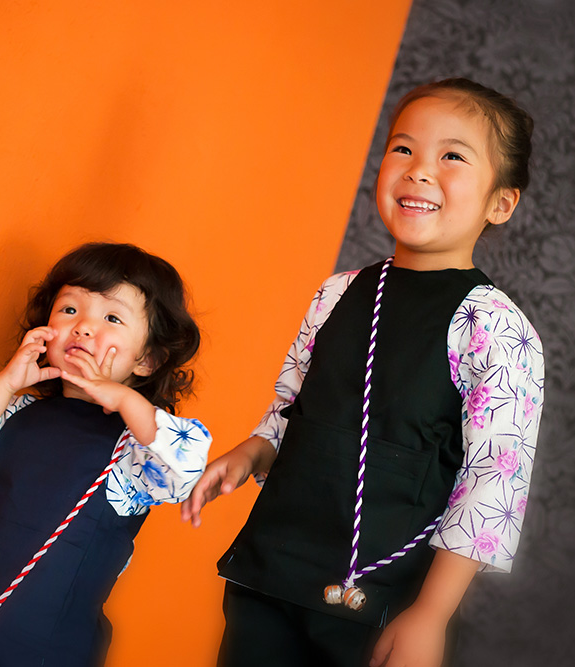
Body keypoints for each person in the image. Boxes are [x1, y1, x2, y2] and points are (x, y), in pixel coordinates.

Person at [181, 78, 545, 667]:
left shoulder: (496, 327)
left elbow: (492, 485)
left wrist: (431, 614)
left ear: (499, 204)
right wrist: (252, 451)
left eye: (452, 157)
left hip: (380, 602)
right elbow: (294, 407)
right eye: (403, 149)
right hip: (272, 573)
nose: (419, 171)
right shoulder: (338, 293)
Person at [0, 242, 211, 667]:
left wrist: (121, 398)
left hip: (45, 647)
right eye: (69, 309)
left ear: (148, 360)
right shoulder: (15, 412)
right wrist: (6, 382)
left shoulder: (135, 450)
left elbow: (184, 467)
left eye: (112, 318)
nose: (83, 327)